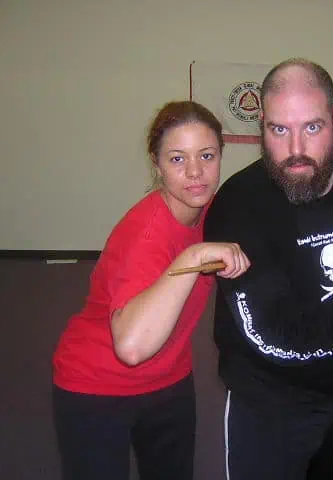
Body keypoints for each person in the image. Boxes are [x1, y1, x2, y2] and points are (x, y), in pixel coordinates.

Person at [204, 58, 333, 479]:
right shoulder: (238, 206)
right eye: (279, 129)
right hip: (269, 404)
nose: (295, 149)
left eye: (312, 127)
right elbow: (271, 337)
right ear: (262, 126)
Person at [51, 100, 250, 480]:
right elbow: (131, 348)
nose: (195, 172)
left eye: (206, 155)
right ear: (156, 165)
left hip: (170, 377)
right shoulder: (145, 236)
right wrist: (193, 256)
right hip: (97, 385)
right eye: (177, 159)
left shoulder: (211, 211)